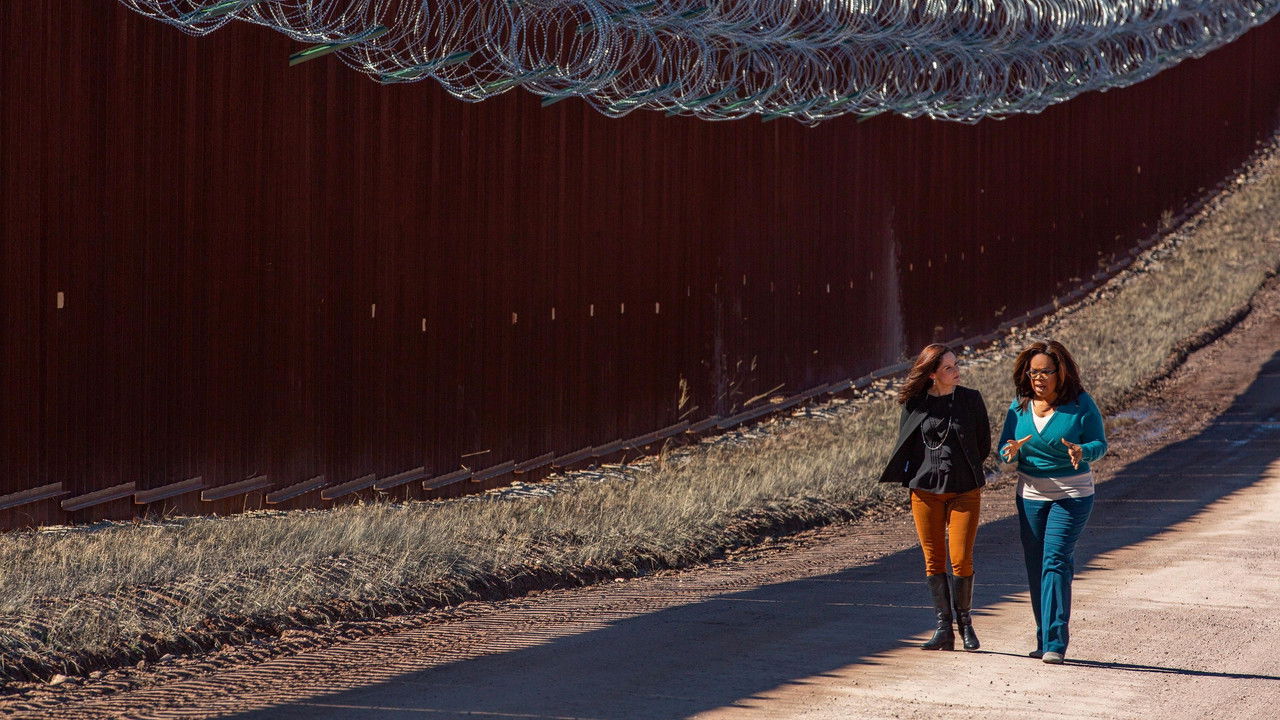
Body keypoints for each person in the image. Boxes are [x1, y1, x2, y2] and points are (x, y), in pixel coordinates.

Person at [998, 339, 1107, 664]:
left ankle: (1056, 643)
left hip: (1072, 495)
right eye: (1033, 373)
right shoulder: (1018, 409)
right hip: (1030, 495)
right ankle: (1043, 637)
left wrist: (1082, 451)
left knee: (1056, 560)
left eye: (1046, 372)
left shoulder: (1080, 405)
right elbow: (1004, 448)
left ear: (1061, 373)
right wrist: (1009, 452)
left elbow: (1100, 444)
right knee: (1036, 565)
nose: (1039, 379)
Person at [879, 344, 991, 651]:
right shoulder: (915, 404)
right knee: (933, 559)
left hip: (964, 490)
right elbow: (906, 444)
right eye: (949, 368)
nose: (957, 372)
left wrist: (962, 471)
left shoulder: (970, 399)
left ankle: (966, 625)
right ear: (932, 375)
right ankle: (944, 628)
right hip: (925, 492)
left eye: (957, 365)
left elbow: (983, 445)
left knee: (961, 557)